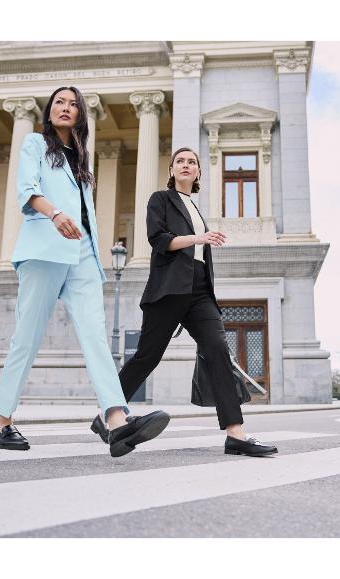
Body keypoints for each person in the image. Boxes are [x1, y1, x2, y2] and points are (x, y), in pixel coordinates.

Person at [0, 86, 170, 457]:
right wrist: (54, 214)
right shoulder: (34, 145)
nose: (66, 108)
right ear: (49, 111)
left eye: (73, 104)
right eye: (59, 103)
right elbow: (26, 189)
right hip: (44, 248)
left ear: (81, 115)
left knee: (95, 336)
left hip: (84, 253)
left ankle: (116, 421)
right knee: (27, 338)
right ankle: (1, 424)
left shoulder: (81, 157)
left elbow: (84, 210)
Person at [88, 147, 277, 457]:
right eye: (180, 161)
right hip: (170, 288)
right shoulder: (160, 200)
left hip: (200, 289)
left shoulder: (195, 207)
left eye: (192, 162)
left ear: (199, 171)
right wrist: (198, 239)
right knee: (147, 357)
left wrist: (201, 242)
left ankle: (236, 434)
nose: (186, 165)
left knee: (218, 350)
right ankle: (105, 413)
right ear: (172, 170)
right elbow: (159, 240)